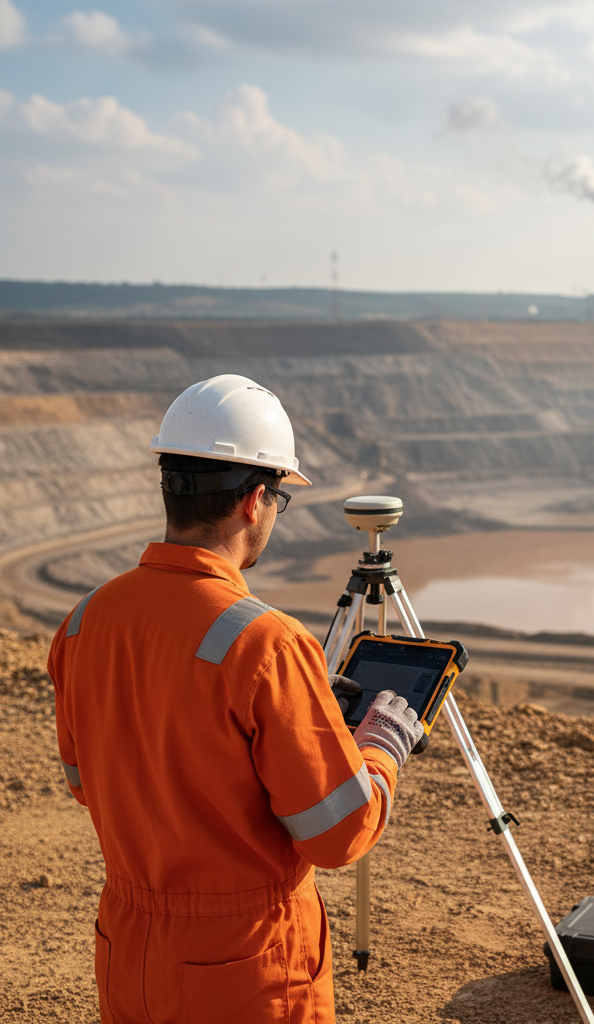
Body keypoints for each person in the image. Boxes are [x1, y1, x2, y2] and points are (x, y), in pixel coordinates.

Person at [47, 374, 422, 1024]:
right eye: (280, 498)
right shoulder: (266, 644)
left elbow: (87, 780)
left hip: (128, 953)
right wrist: (382, 746)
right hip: (245, 972)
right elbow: (338, 835)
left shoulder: (84, 621)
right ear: (254, 501)